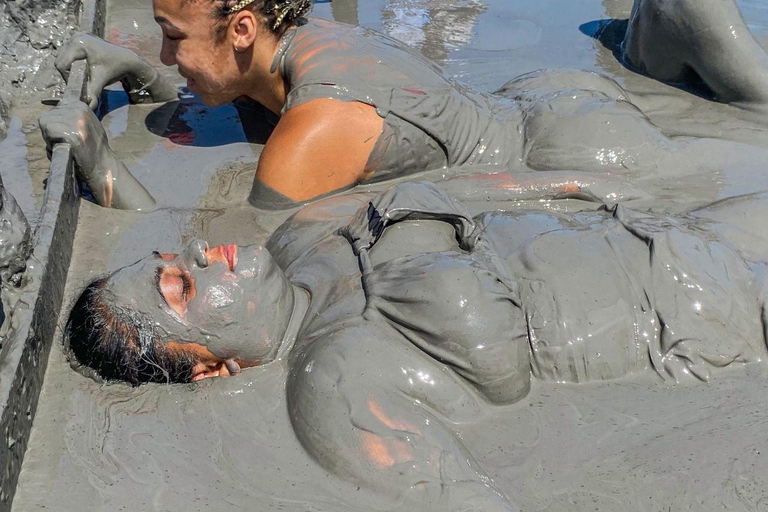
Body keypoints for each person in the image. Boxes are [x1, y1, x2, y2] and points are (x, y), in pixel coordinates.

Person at [66, 181, 768, 510]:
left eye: (174, 254)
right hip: (706, 315)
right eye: (182, 288)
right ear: (211, 370)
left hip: (673, 226)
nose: (200, 251)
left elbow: (488, 189)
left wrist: (584, 186)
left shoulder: (308, 229)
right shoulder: (336, 383)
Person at [42, 0, 768, 211]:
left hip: (563, 151)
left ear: (242, 29)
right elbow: (224, 85)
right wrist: (141, 76)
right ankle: (676, 27)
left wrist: (101, 164)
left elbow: (238, 244)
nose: (169, 56)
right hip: (542, 102)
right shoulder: (306, 38)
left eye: (171, 39)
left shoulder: (316, 126)